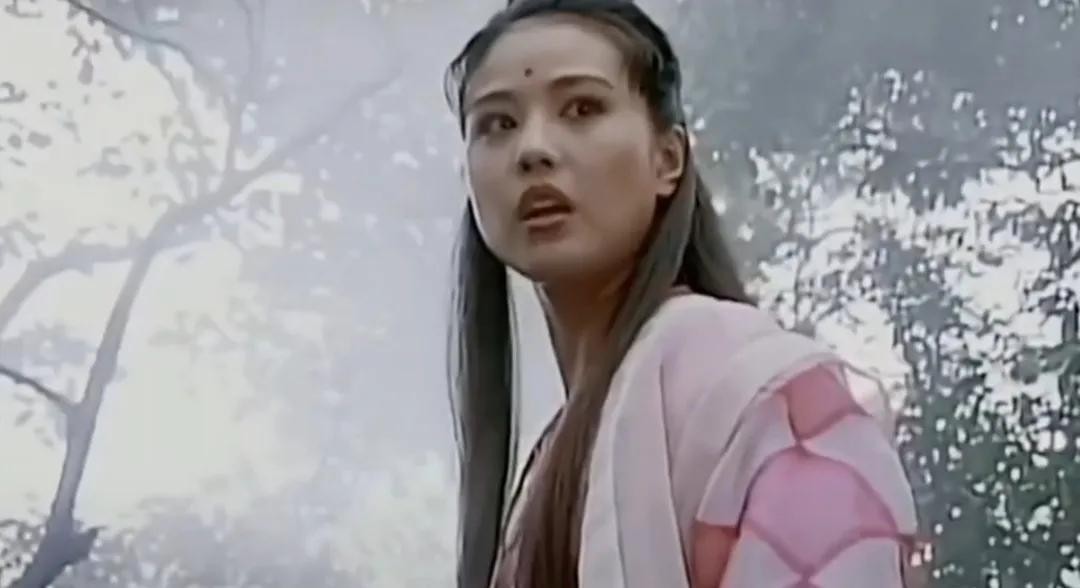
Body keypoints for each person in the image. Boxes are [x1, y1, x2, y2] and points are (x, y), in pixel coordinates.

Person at [443, 0, 920, 586]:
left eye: (582, 108)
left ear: (667, 159)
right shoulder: (550, 461)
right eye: (497, 124)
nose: (532, 149)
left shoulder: (757, 392)